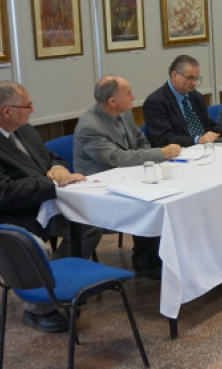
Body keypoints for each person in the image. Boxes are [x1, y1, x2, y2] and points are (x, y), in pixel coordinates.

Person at [0, 81, 102, 333]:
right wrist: (50, 183)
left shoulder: (21, 128)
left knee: (89, 223)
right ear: (7, 111)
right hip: (3, 218)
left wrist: (58, 168)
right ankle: (38, 310)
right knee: (34, 246)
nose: (32, 110)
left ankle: (56, 284)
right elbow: (0, 193)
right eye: (28, 106)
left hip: (40, 203)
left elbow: (49, 157)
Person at [74, 76, 182, 279]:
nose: (133, 97)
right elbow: (117, 158)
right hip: (99, 191)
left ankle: (163, 255)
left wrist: (149, 158)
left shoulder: (125, 114)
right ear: (112, 101)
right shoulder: (90, 126)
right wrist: (160, 153)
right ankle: (147, 264)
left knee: (169, 194)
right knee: (148, 204)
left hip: (130, 177)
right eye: (128, 93)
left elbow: (141, 141)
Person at [143, 55, 222, 147]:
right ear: (174, 75)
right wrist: (197, 140)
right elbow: (163, 139)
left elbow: (209, 126)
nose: (194, 83)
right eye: (190, 78)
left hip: (205, 148)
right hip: (180, 151)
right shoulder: (155, 102)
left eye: (196, 78)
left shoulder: (195, 96)